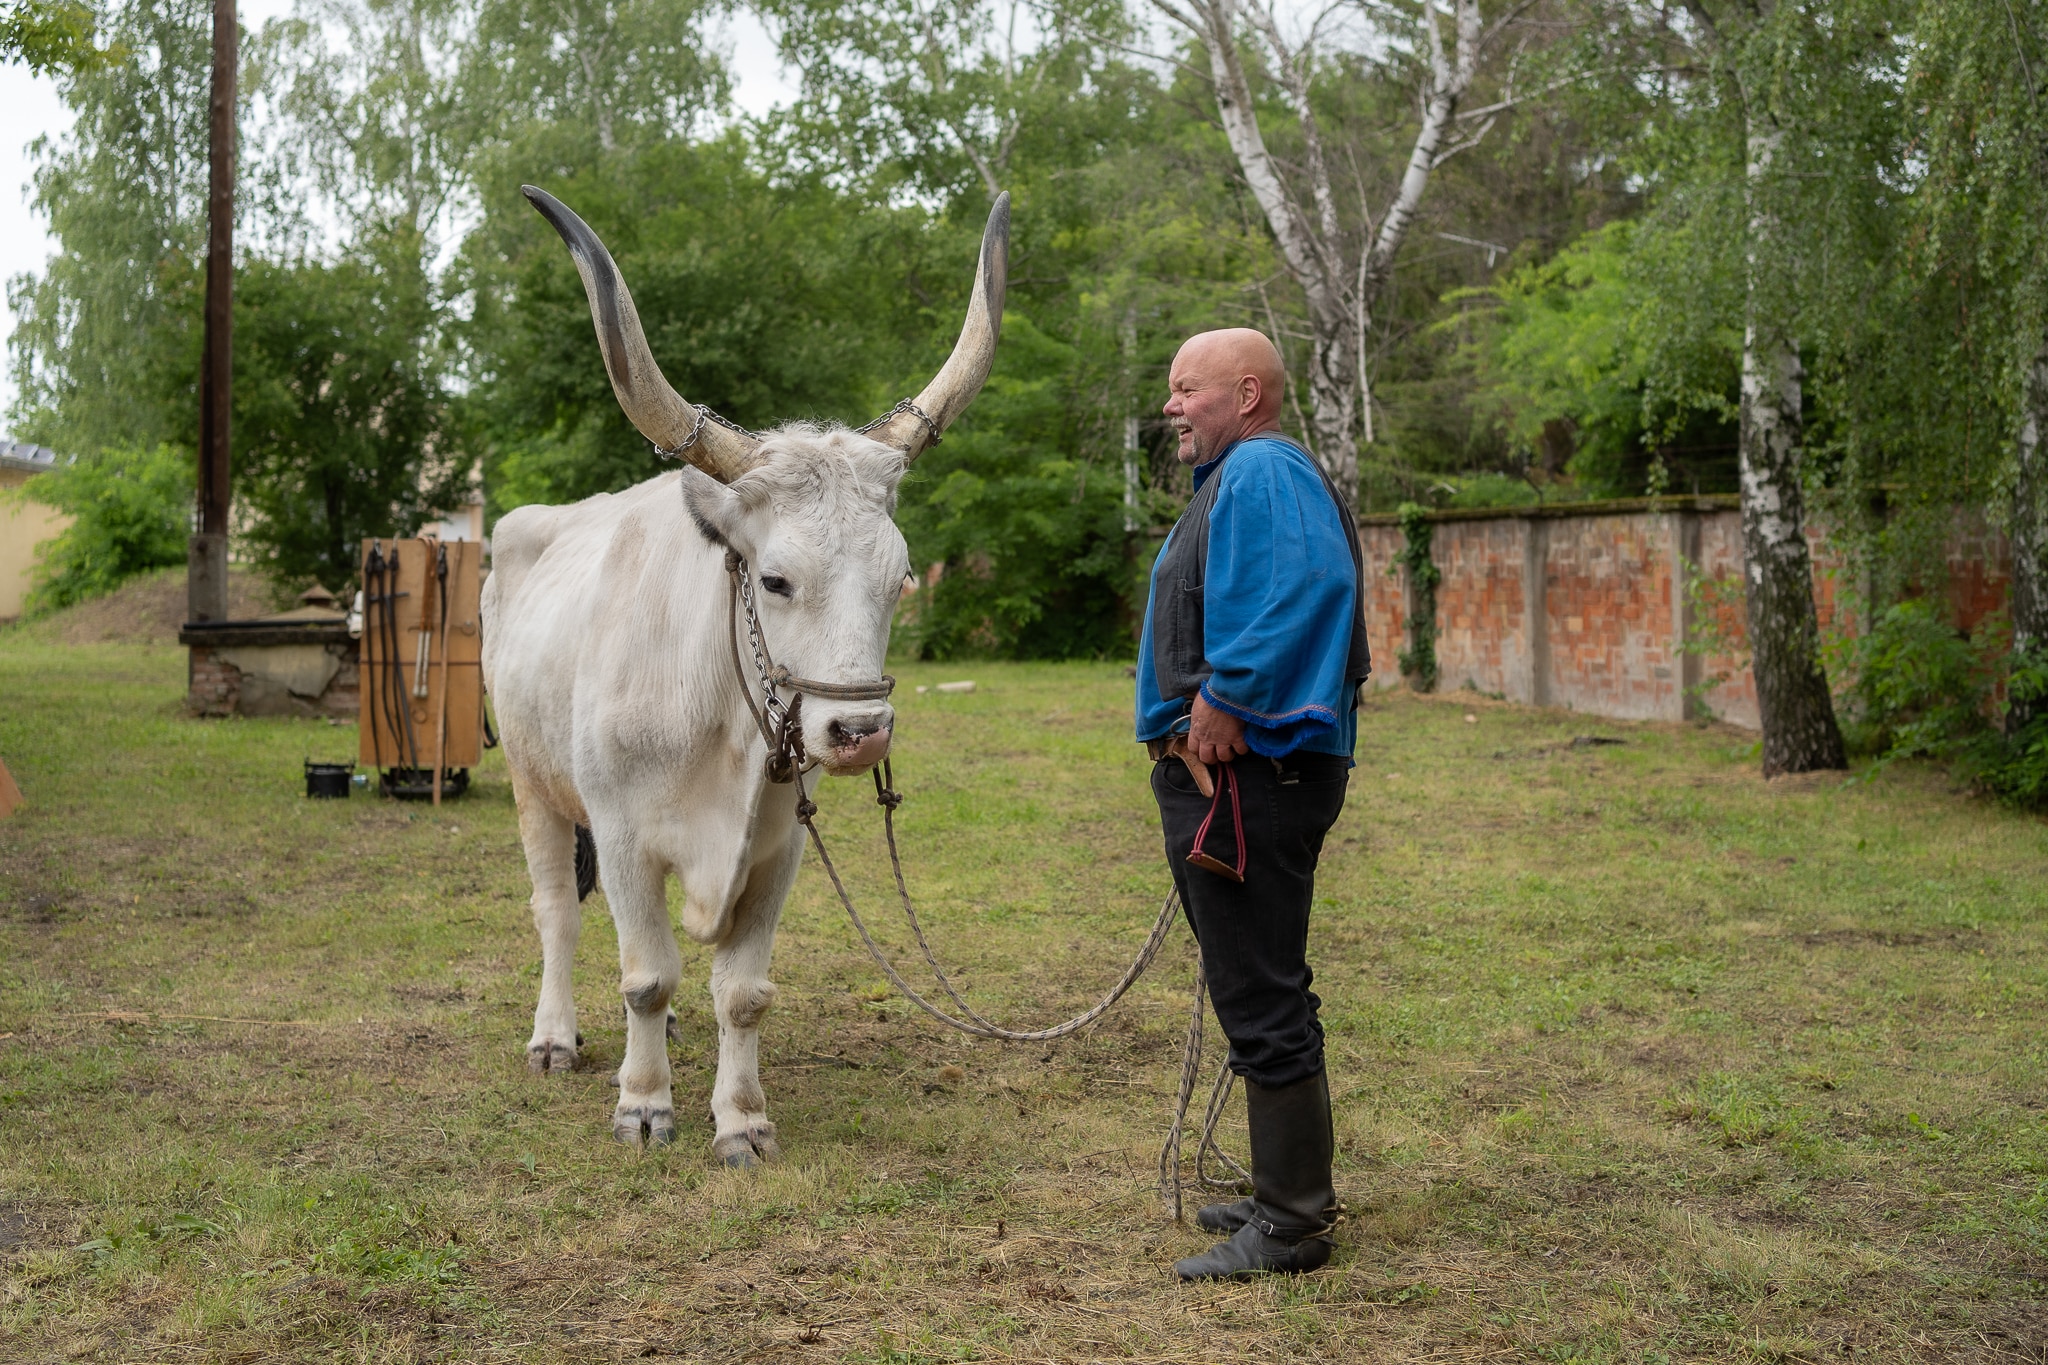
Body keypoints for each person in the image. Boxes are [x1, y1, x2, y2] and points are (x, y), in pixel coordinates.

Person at [1135, 328, 1370, 1280]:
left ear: (1245, 394)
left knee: (1260, 988)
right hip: (1245, 781)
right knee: (1262, 979)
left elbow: (1311, 584)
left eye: (1186, 388)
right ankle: (1287, 1188)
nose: (1170, 405)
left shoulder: (1265, 467)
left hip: (1250, 777)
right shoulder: (1242, 475)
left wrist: (1230, 694)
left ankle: (1290, 1224)